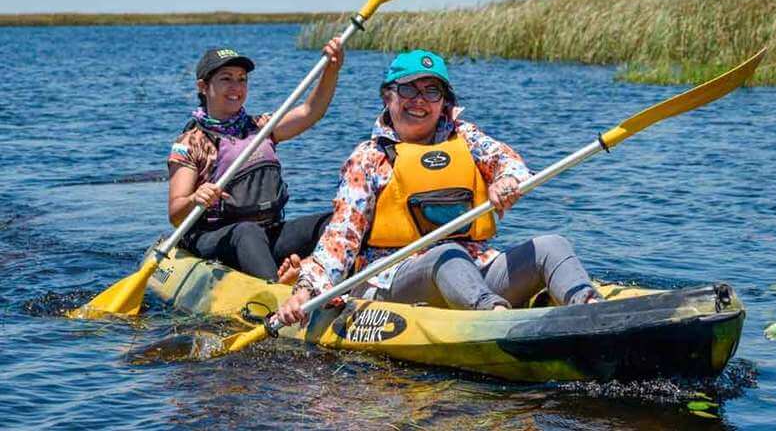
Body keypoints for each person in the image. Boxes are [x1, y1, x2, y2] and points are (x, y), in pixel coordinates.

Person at [277, 49, 601, 325]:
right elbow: (341, 238)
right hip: (393, 279)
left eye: (432, 91)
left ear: (444, 101)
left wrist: (505, 180)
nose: (420, 101)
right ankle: (497, 320)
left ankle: (590, 311)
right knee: (446, 253)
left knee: (551, 245)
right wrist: (306, 290)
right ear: (388, 96)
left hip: (475, 270)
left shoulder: (466, 138)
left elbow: (509, 161)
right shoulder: (368, 158)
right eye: (409, 90)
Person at [167, 39, 343, 282]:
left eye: (242, 79)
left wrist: (331, 70)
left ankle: (316, 276)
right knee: (246, 232)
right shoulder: (190, 142)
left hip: (267, 232)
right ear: (203, 86)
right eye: (226, 78)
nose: (236, 87)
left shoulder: (262, 127)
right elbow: (176, 214)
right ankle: (277, 291)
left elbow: (310, 111)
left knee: (333, 221)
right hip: (215, 236)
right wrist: (195, 198)